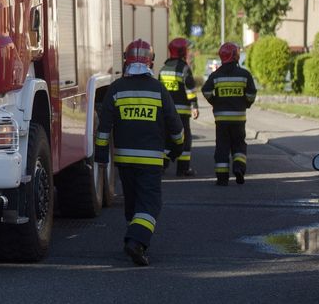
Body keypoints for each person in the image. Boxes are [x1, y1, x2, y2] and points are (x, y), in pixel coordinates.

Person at [95, 39, 184, 266]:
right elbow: (175, 125)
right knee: (150, 204)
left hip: (124, 161)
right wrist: (176, 149)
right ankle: (136, 243)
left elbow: (103, 128)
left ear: (126, 61)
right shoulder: (158, 89)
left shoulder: (116, 89)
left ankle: (135, 238)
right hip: (151, 161)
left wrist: (101, 156)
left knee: (133, 204)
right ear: (150, 62)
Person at [201, 42, 257, 186]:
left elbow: (206, 91)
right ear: (235, 55)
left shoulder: (216, 75)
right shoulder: (244, 74)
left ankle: (222, 178)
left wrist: (215, 102)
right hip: (239, 118)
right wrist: (246, 103)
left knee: (222, 147)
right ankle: (238, 167)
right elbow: (251, 93)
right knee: (239, 145)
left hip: (221, 120)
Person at [158, 38, 200, 176]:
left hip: (166, 113)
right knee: (185, 139)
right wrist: (194, 106)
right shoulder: (184, 68)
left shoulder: (163, 69)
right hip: (182, 113)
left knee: (165, 138)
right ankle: (183, 169)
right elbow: (190, 90)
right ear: (182, 51)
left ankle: (162, 167)